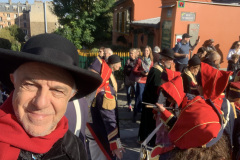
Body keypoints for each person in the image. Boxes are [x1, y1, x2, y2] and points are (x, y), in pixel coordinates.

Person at [0, 33, 102, 159]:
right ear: (13, 81)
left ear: (71, 95)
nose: (40, 103)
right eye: (30, 85)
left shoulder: (74, 148)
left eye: (57, 91)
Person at [86, 54, 125, 160]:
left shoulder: (104, 93)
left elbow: (110, 119)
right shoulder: (95, 87)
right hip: (92, 132)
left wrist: (115, 143)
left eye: (93, 73)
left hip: (100, 134)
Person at [138, 48, 175, 145]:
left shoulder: (161, 68)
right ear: (163, 60)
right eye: (170, 59)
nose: (172, 62)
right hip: (152, 101)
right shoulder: (157, 71)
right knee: (150, 124)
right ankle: (149, 142)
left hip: (153, 100)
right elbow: (157, 89)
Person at [132, 46, 153, 122]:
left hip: (147, 81)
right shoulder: (140, 60)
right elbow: (134, 70)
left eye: (148, 51)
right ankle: (136, 113)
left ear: (150, 52)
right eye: (145, 50)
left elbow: (151, 71)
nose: (146, 52)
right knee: (139, 98)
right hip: (140, 81)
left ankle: (141, 114)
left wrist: (149, 74)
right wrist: (141, 72)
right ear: (143, 52)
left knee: (145, 98)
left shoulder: (151, 61)